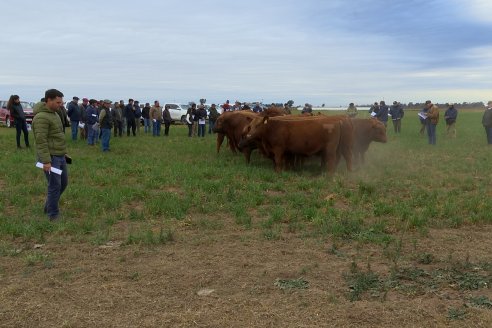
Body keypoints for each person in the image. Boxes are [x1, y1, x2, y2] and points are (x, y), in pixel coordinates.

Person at [32, 89, 68, 221]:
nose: (61, 104)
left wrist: (63, 153)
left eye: (61, 102)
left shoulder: (55, 114)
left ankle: (49, 206)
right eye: (58, 102)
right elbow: (41, 141)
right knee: (55, 185)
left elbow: (57, 136)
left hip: (59, 156)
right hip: (50, 158)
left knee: (63, 183)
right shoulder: (41, 117)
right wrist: (46, 161)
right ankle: (53, 214)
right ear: (49, 100)